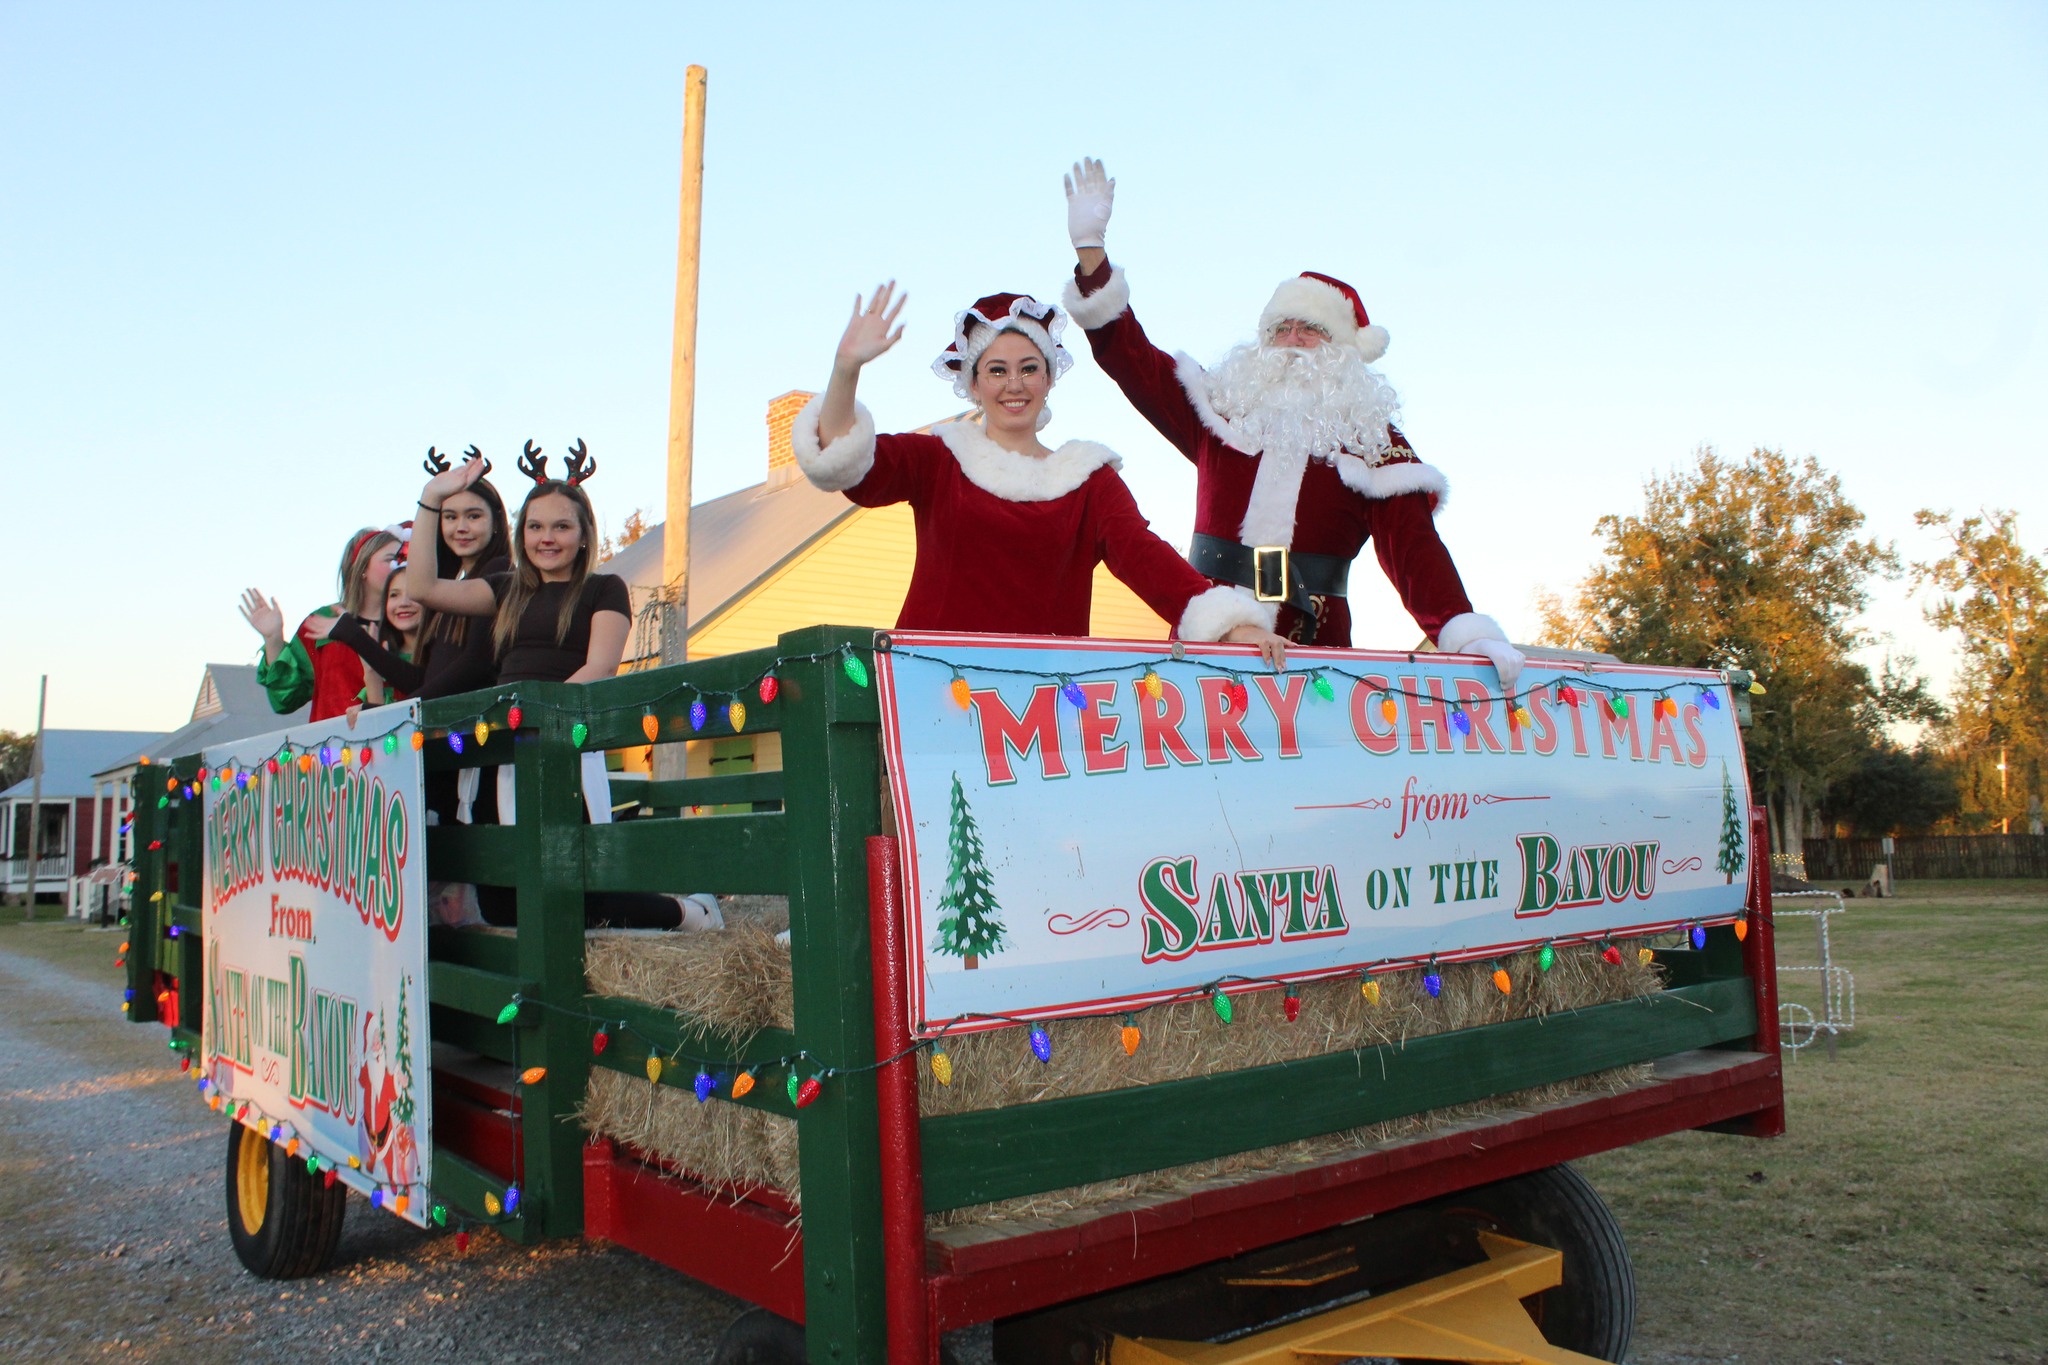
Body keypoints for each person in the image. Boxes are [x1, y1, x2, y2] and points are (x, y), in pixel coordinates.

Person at [1059, 158, 1525, 690]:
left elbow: (1416, 551)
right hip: (1211, 640)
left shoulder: (1373, 443)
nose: (1293, 340)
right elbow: (1132, 359)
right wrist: (1091, 254)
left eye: (1311, 329)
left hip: (1316, 652)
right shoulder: (1221, 410)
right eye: (1282, 328)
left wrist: (1466, 634)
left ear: (1343, 351)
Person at [792, 282, 1289, 663]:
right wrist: (846, 369)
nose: (1014, 384)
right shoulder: (940, 459)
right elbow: (845, 463)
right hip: (931, 689)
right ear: (973, 384)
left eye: (1029, 368)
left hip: (1043, 704)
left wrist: (1232, 624)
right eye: (997, 370)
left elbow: (1145, 557)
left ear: (1050, 378)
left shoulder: (1087, 480)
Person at [408, 442, 708, 931]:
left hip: (560, 744)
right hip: (498, 753)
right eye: (535, 527)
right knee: (503, 902)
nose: (547, 538)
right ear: (521, 532)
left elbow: (600, 666)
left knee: (575, 892)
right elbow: (422, 588)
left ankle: (690, 913)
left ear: (584, 533)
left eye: (561, 527)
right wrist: (430, 497)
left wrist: (537, 719)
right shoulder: (506, 589)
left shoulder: (603, 588)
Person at [332, 448, 512, 704]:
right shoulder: (452, 588)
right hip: (448, 724)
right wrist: (355, 637)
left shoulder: (500, 571)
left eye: (474, 516)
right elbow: (425, 680)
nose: (461, 527)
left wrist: (404, 712)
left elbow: (477, 664)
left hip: (479, 724)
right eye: (450, 517)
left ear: (495, 521)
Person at [239, 527, 405, 721]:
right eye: (390, 559)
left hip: (400, 736)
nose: (400, 566)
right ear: (362, 568)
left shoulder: (410, 621)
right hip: (335, 739)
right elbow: (286, 699)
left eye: (403, 559)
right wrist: (273, 639)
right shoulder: (323, 620)